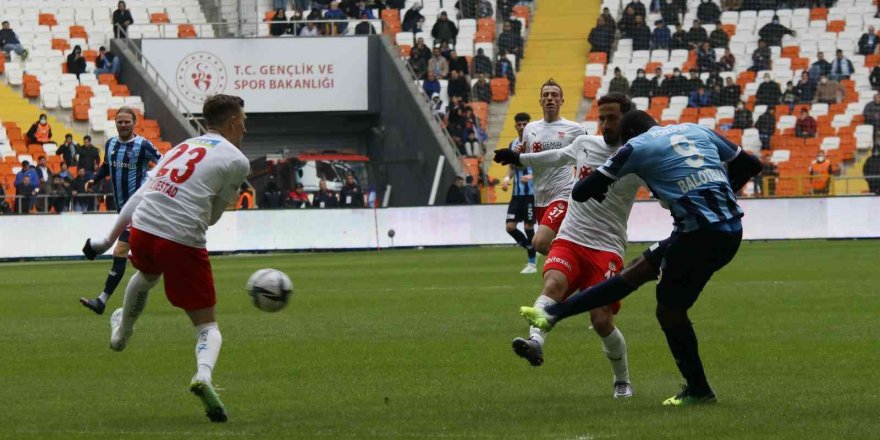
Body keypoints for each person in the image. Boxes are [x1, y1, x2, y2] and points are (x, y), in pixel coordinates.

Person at [520, 111, 762, 407]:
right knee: (640, 271)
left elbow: (582, 192)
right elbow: (752, 165)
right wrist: (718, 191)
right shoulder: (697, 130)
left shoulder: (637, 147)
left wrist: (607, 175)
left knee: (660, 303)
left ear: (630, 133)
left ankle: (699, 389)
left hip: (699, 234)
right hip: (728, 229)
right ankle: (555, 314)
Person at [81, 94, 250, 423]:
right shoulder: (237, 160)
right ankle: (203, 376)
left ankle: (121, 334)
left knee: (145, 276)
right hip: (182, 239)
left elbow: (141, 195)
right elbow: (212, 218)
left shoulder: (180, 148)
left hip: (143, 229)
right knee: (208, 328)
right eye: (243, 121)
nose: (245, 128)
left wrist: (105, 241)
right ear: (232, 122)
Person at [495, 94, 642, 398]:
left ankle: (622, 380)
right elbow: (555, 157)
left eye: (611, 117)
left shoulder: (639, 156)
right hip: (571, 238)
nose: (604, 124)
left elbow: (665, 184)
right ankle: (535, 341)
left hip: (607, 247)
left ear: (626, 118)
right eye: (601, 118)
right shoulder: (587, 144)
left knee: (601, 321)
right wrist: (518, 158)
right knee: (552, 284)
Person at [79, 107, 162, 316]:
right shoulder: (111, 144)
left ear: (135, 123)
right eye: (120, 122)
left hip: (140, 208)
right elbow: (107, 166)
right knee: (142, 254)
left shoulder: (143, 145)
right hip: (123, 209)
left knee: (120, 251)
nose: (123, 125)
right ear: (115, 123)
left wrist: (154, 183)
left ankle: (102, 300)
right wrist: (94, 180)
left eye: (127, 122)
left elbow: (164, 163)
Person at [515, 79, 585, 255]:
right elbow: (524, 163)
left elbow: (587, 158)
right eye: (545, 95)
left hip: (563, 194)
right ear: (540, 101)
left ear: (562, 101)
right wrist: (518, 155)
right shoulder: (530, 129)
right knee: (555, 243)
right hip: (540, 197)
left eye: (554, 95)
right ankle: (574, 268)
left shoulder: (575, 129)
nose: (550, 98)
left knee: (539, 242)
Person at [500, 112, 538, 273]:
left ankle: (532, 263)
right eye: (519, 124)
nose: (522, 127)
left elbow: (544, 166)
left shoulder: (536, 143)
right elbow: (512, 167)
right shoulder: (512, 144)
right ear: (515, 126)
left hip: (531, 194)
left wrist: (531, 176)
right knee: (510, 227)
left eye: (524, 124)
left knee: (529, 227)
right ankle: (531, 247)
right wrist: (507, 178)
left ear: (529, 125)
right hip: (517, 194)